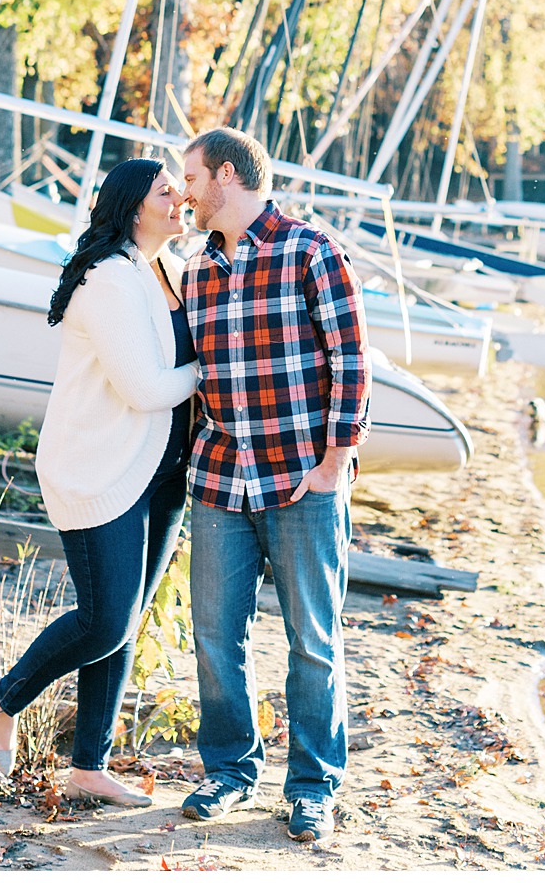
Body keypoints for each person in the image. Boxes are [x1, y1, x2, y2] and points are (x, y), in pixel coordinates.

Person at [0, 158, 197, 801]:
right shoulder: (109, 279)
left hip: (163, 472)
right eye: (166, 190)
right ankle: (6, 696)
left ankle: (88, 767)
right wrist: (215, 375)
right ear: (133, 208)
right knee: (105, 621)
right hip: (101, 464)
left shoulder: (167, 270)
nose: (180, 196)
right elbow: (143, 387)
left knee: (124, 621)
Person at [179, 127, 370, 849]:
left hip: (303, 485)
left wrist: (333, 463)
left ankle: (313, 787)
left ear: (225, 175)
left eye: (191, 177)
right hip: (221, 482)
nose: (186, 191)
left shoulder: (311, 251)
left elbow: (351, 361)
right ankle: (229, 771)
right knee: (215, 637)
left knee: (313, 642)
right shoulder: (199, 268)